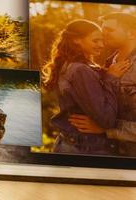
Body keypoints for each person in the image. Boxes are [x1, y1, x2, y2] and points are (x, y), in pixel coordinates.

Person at [42, 19, 130, 155]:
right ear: (77, 40)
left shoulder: (69, 65)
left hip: (72, 144)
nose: (101, 45)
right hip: (86, 148)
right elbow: (106, 119)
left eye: (102, 40)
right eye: (95, 41)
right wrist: (111, 78)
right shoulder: (80, 71)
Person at [68, 13, 136, 156]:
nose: (102, 34)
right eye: (103, 29)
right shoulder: (107, 65)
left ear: (131, 33)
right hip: (111, 153)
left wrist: (107, 129)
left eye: (109, 30)